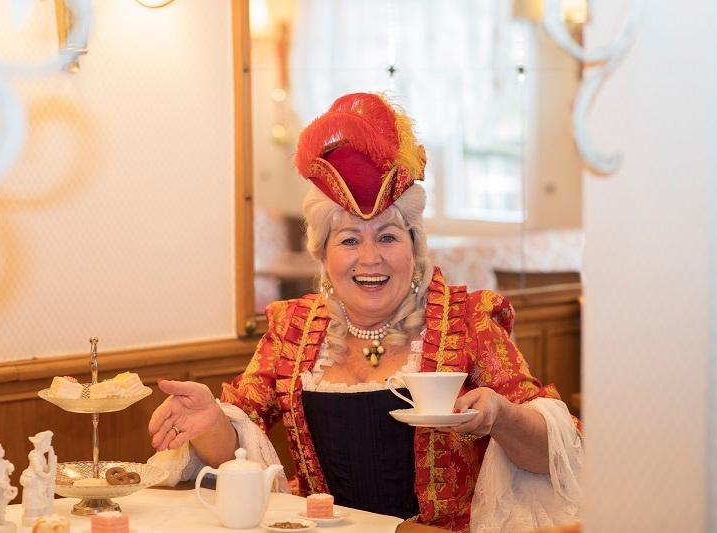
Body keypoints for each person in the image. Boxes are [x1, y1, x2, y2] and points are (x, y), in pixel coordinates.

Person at [148, 93, 583, 532]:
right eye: (350, 240)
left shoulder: (468, 321)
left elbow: (554, 456)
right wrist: (209, 422)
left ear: (415, 247)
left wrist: (502, 417)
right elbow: (237, 443)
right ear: (323, 255)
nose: (370, 259)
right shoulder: (292, 331)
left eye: (389, 237)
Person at [20, 430, 56, 525]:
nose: (49, 445)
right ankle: (32, 513)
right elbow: (38, 470)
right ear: (40, 444)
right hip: (33, 480)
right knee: (34, 496)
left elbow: (44, 468)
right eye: (48, 443)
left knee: (41, 496)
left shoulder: (41, 456)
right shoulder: (34, 456)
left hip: (40, 480)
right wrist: (47, 475)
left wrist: (51, 463)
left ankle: (40, 511)